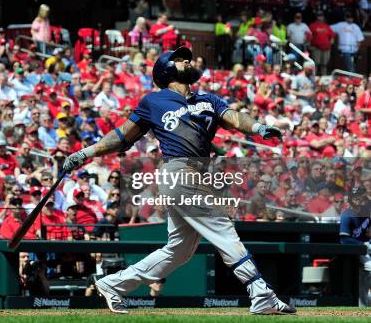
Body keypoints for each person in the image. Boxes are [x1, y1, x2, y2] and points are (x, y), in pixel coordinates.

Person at [62, 47, 296, 315]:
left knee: (180, 250)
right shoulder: (154, 101)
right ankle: (261, 293)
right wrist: (85, 152)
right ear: (166, 70)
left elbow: (234, 117)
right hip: (179, 172)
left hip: (196, 174)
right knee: (224, 231)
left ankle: (113, 284)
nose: (187, 60)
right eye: (179, 59)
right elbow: (122, 136)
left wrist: (258, 128)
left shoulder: (208, 100)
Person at [339, 191, 370, 307]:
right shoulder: (347, 214)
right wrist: (364, 244)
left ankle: (364, 300)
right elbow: (344, 239)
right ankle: (363, 301)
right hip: (355, 251)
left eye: (359, 196)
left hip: (364, 249)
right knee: (369, 267)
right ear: (350, 199)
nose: (358, 199)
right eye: (355, 197)